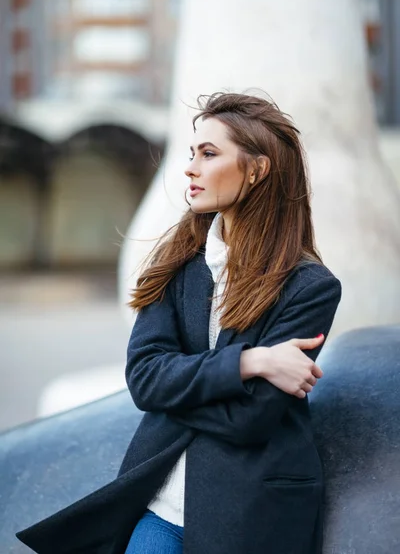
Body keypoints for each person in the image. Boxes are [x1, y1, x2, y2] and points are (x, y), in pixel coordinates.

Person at [17, 92, 341, 554]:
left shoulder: (311, 287)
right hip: (162, 508)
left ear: (257, 169)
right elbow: (145, 379)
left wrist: (177, 388)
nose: (190, 168)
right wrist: (251, 362)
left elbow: (251, 417)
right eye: (192, 153)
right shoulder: (180, 261)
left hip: (251, 515)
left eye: (209, 154)